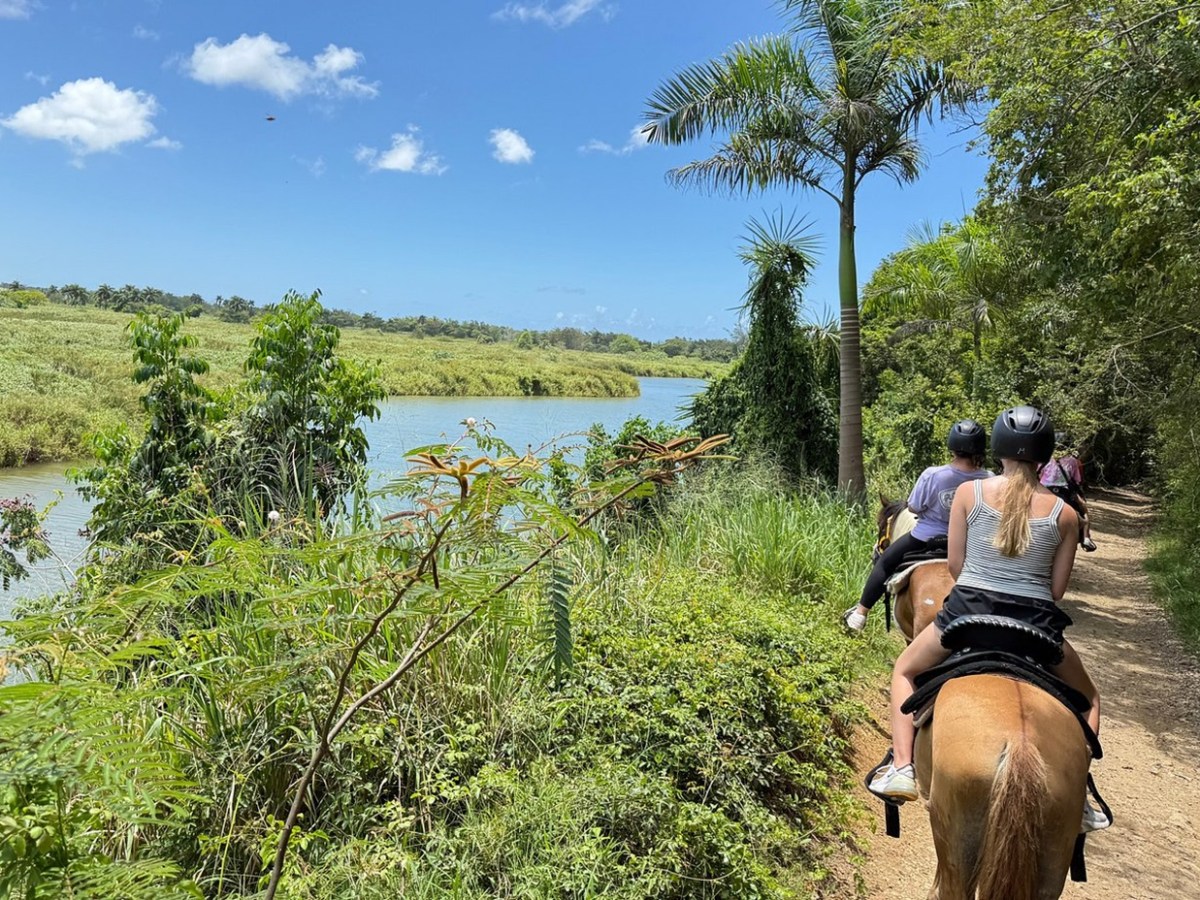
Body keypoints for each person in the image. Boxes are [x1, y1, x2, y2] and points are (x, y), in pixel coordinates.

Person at [869, 405, 1109, 832]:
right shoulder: (1066, 515)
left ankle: (903, 767)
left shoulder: (969, 496)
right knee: (1089, 698)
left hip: (968, 616)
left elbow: (957, 568)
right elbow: (1055, 592)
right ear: (1044, 456)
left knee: (904, 670)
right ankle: (1082, 797)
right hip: (1036, 629)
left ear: (996, 449)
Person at [842, 420, 991, 632]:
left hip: (924, 540)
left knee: (884, 562)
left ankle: (861, 613)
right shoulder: (988, 478)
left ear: (952, 446)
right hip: (971, 542)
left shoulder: (933, 475)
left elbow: (912, 508)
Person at [1041, 434, 1098, 552]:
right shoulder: (1073, 461)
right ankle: (1086, 538)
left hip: (1044, 490)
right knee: (1083, 509)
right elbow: (1077, 479)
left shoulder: (1044, 458)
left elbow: (1038, 475)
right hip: (1065, 491)